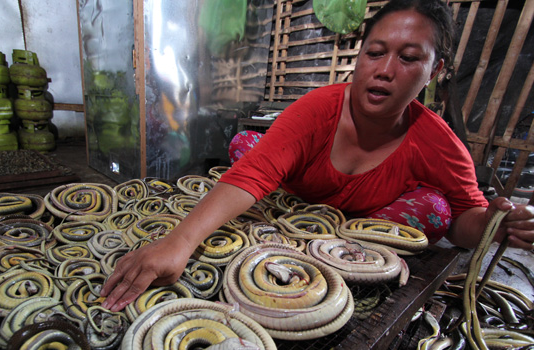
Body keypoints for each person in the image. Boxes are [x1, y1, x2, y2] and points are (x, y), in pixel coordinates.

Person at [100, 0, 534, 312]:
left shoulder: (439, 144)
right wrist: (178, 241)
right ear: (361, 56)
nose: (384, 70)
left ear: (434, 71)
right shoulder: (317, 110)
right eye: (375, 52)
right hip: (296, 195)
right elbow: (253, 174)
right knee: (247, 148)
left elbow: (464, 221)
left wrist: (496, 224)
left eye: (408, 58)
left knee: (436, 211)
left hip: (365, 223)